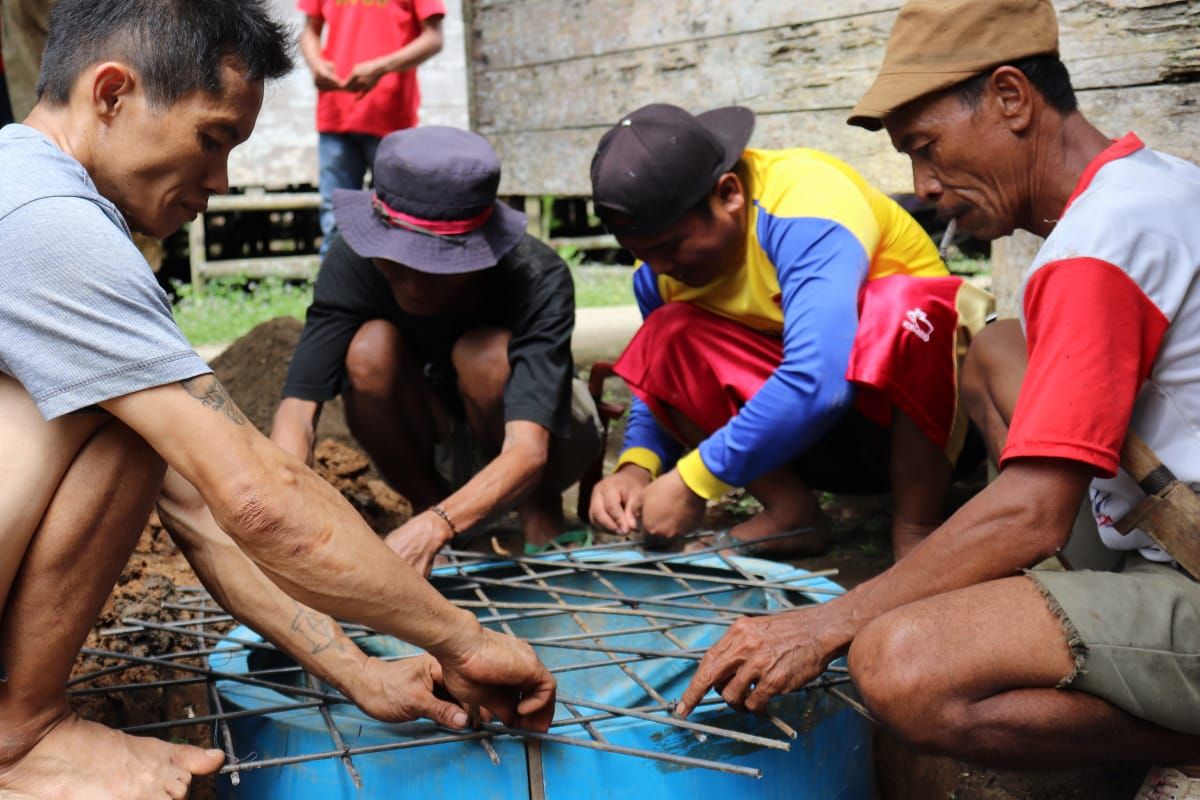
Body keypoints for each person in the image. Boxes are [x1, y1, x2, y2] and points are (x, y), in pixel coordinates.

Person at [0, 3, 555, 798]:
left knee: (130, 425)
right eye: (213, 138)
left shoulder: (24, 183)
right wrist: (461, 638)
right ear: (112, 94)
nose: (222, 182)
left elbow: (198, 505)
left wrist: (359, 673)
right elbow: (255, 497)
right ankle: (20, 737)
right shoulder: (50, 225)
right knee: (122, 426)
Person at [676, 1, 1200, 796]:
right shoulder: (1154, 182)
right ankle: (1092, 640)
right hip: (1165, 513)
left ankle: (1170, 740)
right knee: (997, 348)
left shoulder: (1101, 245)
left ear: (1011, 98)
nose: (924, 185)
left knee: (901, 666)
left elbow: (1031, 511)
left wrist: (827, 622)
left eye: (927, 150)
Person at [587, 103, 992, 559]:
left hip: (935, 428)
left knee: (905, 310)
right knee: (666, 332)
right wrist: (635, 467)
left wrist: (694, 478)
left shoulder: (808, 207)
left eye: (670, 247)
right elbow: (656, 379)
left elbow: (820, 382)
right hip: (808, 442)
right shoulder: (658, 269)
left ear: (729, 193)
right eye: (638, 251)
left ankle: (917, 525)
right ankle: (790, 514)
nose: (659, 266)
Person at [273, 125, 603, 576]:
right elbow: (298, 411)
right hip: (436, 438)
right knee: (368, 350)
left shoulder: (536, 275)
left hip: (543, 439)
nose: (413, 284)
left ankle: (538, 513)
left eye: (434, 267)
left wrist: (438, 526)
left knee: (484, 356)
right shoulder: (353, 262)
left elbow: (528, 450)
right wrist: (279, 503)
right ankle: (427, 504)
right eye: (398, 261)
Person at [299, 0, 445, 254]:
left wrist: (382, 67)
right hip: (336, 115)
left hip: (391, 119)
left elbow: (434, 37)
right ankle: (336, 293)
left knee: (395, 219)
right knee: (335, 221)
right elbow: (309, 31)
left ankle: (390, 293)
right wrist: (316, 64)